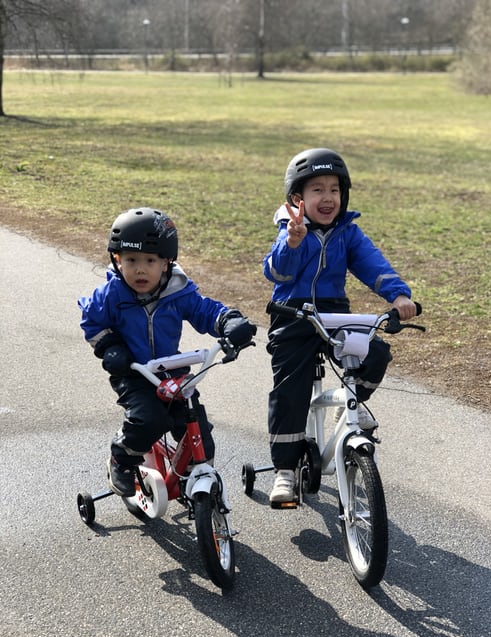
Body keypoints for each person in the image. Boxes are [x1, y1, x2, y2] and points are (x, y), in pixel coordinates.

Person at [263, 148, 417, 504]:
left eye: (334, 189)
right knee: (290, 388)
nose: (328, 197)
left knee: (375, 353)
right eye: (317, 190)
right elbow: (276, 272)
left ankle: (351, 401)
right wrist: (293, 242)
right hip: (293, 313)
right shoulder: (291, 230)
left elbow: (372, 264)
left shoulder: (348, 232)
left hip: (335, 313)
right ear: (297, 198)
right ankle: (285, 470)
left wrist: (398, 296)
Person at [78, 207, 256, 497]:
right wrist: (110, 347)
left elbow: (204, 311)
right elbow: (92, 322)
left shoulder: (178, 291)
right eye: (131, 260)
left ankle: (197, 477)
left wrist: (228, 320)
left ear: (166, 262)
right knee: (149, 421)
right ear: (117, 260)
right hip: (133, 371)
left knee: (197, 430)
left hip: (171, 370)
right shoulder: (111, 295)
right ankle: (120, 458)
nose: (140, 269)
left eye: (150, 260)